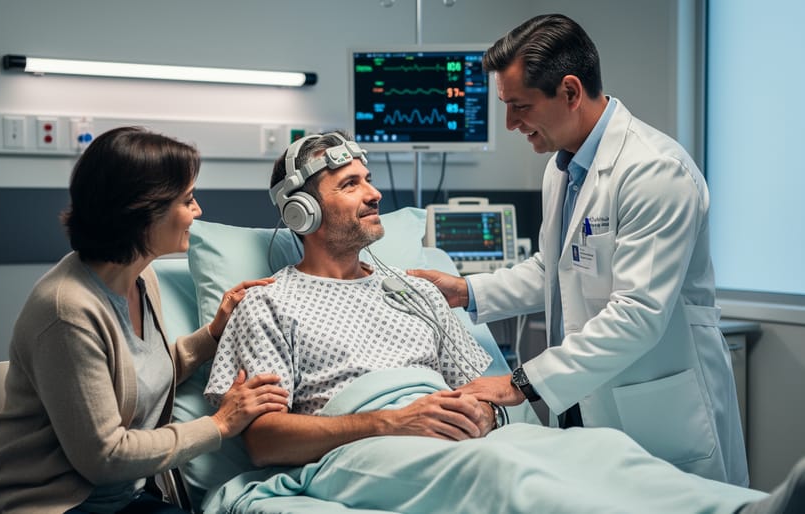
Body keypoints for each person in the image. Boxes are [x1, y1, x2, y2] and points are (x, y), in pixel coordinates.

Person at [202, 131, 805, 514]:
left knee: (596, 452)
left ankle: (746, 510)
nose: (375, 193)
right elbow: (260, 442)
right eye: (351, 183)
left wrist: (487, 408)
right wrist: (389, 421)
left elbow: (490, 392)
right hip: (363, 446)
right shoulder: (266, 303)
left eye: (370, 179)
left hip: (455, 431)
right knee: (501, 469)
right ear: (301, 210)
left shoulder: (416, 293)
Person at [408, 13, 748, 486]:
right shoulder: (563, 167)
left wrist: (519, 382)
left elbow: (637, 314)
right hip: (587, 399)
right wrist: (465, 291)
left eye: (520, 106)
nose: (510, 124)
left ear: (570, 92)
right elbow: (555, 267)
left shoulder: (654, 171)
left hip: (656, 407)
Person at [0, 126, 289, 514]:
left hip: (120, 500)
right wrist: (219, 424)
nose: (197, 211)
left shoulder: (139, 277)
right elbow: (106, 456)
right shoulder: (68, 310)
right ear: (143, 212)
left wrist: (213, 334)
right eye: (187, 199)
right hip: (44, 503)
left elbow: (139, 374)